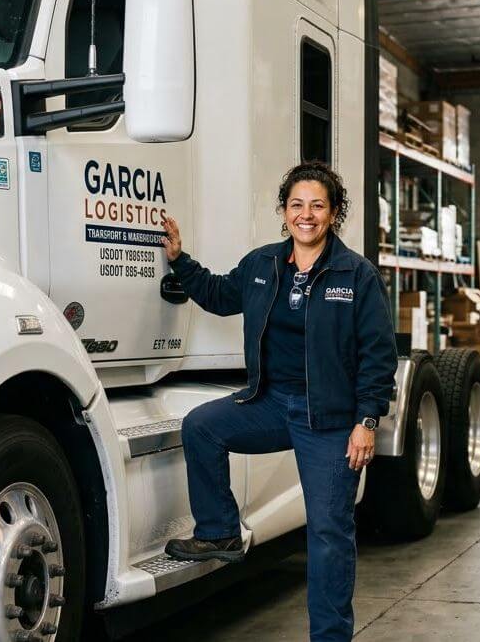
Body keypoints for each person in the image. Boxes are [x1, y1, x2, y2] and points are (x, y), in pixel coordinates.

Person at [159, 161, 396, 642]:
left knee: (329, 535)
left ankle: (329, 637)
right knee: (202, 426)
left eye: (317, 206)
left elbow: (378, 353)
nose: (305, 215)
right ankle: (220, 530)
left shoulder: (356, 274)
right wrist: (180, 260)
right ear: (284, 212)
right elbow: (220, 294)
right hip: (269, 404)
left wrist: (366, 420)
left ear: (333, 214)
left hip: (328, 419)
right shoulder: (263, 264)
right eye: (296, 205)